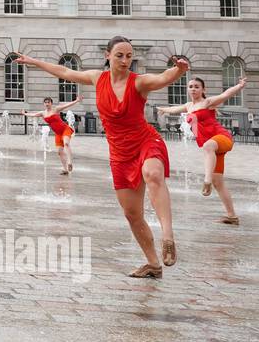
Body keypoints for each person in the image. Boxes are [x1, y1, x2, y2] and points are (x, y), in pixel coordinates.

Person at [16, 39, 189, 278]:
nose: (125, 61)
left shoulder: (139, 82)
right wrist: (33, 61)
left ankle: (168, 236)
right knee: (132, 214)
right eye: (119, 55)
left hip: (145, 141)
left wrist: (179, 70)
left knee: (153, 174)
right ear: (108, 55)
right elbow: (65, 71)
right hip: (119, 152)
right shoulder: (98, 78)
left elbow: (163, 78)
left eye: (129, 56)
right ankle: (153, 264)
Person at [157, 76, 245, 224]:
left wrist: (240, 86)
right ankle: (232, 216)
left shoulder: (208, 103)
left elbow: (226, 94)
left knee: (208, 146)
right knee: (219, 182)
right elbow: (173, 109)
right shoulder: (188, 106)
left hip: (222, 138)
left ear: (203, 89)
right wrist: (163, 109)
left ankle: (206, 181)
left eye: (197, 86)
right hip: (213, 148)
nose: (193, 89)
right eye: (191, 86)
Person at [22, 96, 82, 174]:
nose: (47, 104)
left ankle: (70, 163)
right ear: (44, 104)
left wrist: (76, 100)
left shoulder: (56, 109)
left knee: (66, 144)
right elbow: (33, 114)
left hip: (65, 129)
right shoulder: (42, 113)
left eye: (48, 102)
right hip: (58, 133)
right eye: (45, 102)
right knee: (59, 152)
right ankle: (65, 169)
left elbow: (67, 105)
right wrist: (24, 114)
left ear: (51, 103)